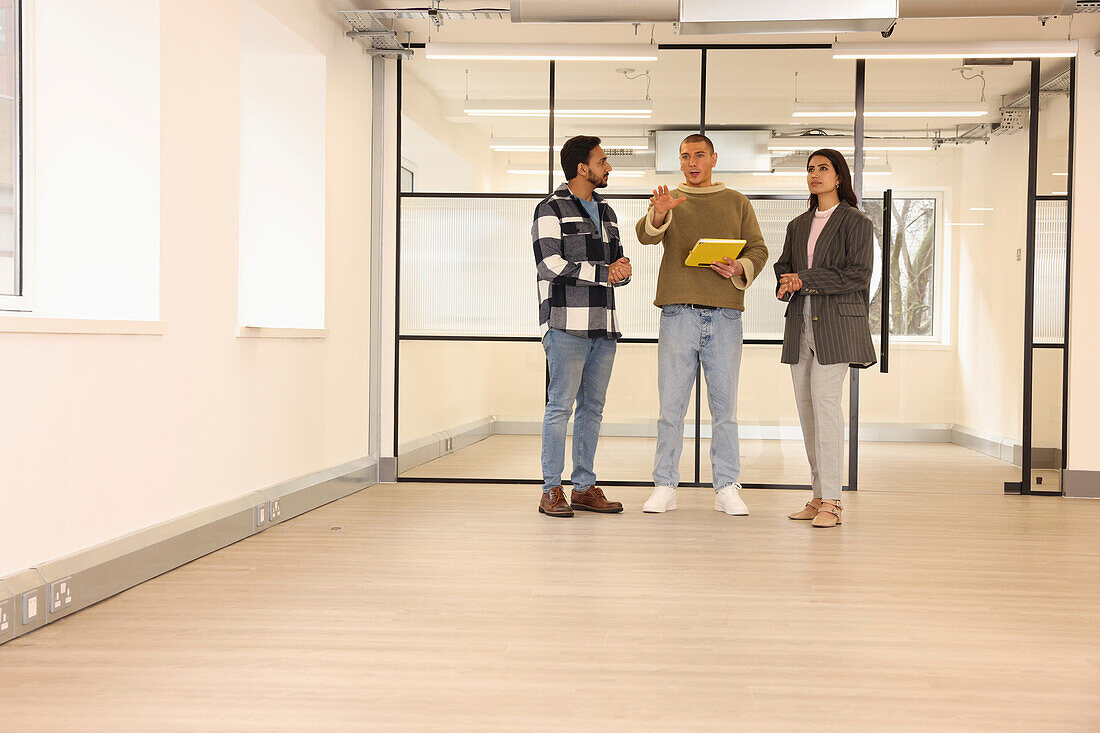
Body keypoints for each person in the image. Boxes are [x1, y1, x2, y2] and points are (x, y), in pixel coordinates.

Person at [634, 134, 768, 515]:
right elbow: (645, 236)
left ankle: (726, 486)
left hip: (725, 315)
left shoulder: (737, 201)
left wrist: (740, 266)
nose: (691, 162)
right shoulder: (668, 199)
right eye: (684, 157)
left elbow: (758, 248)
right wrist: (659, 213)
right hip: (678, 314)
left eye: (698, 155)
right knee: (670, 408)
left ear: (713, 159)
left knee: (724, 409)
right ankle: (664, 486)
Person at [774, 148, 876, 528]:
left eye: (823, 169)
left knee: (827, 408)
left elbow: (858, 275)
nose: (815, 175)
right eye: (810, 169)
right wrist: (786, 281)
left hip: (837, 326)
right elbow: (785, 266)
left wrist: (806, 279)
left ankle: (833, 500)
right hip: (800, 323)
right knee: (808, 413)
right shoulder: (799, 224)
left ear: (839, 177)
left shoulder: (856, 222)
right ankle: (818, 495)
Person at [532, 135, 632, 518]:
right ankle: (551, 490)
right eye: (603, 161)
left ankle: (585, 488)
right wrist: (606, 272)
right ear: (582, 168)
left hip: (604, 327)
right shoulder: (550, 209)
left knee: (592, 410)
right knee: (559, 408)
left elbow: (614, 265)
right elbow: (550, 266)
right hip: (566, 325)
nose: (608, 167)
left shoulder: (607, 212)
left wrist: (620, 272)